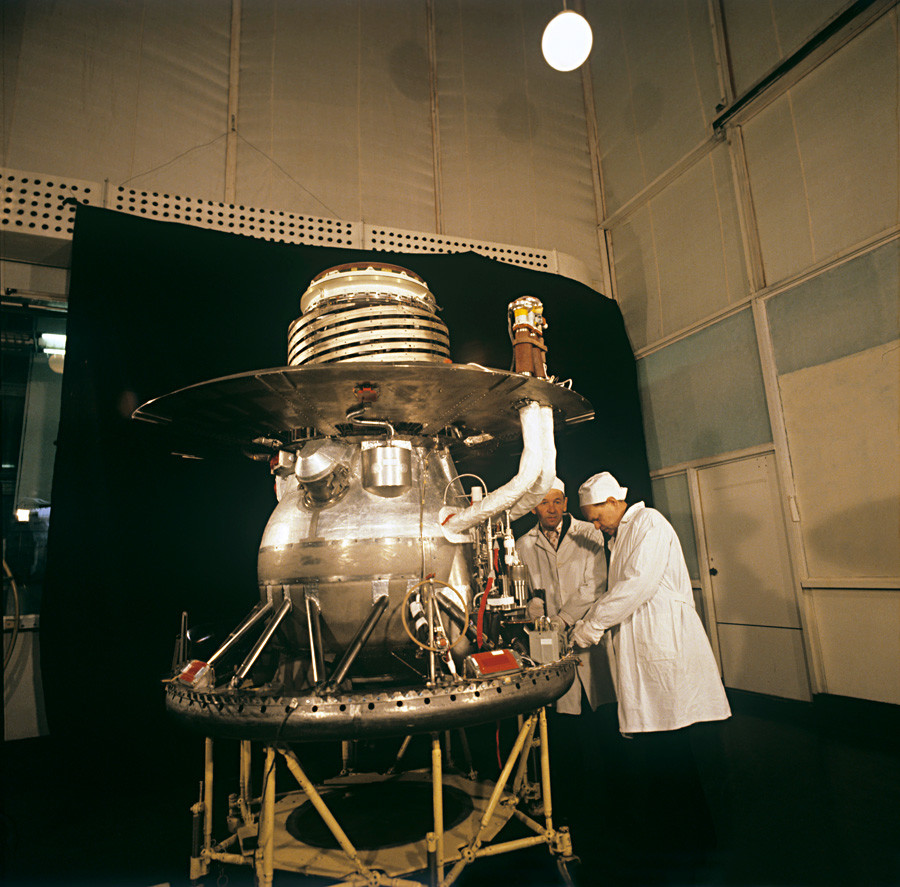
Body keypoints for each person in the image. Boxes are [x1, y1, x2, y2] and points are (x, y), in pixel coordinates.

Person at [572, 470, 731, 882]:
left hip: (665, 651)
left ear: (613, 502)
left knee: (673, 750)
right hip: (646, 654)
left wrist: (591, 626)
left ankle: (693, 843)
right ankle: (678, 837)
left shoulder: (650, 523)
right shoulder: (621, 534)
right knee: (661, 751)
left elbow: (635, 586)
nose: (594, 524)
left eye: (595, 515)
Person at [516, 478, 615, 827]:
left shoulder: (590, 533)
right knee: (563, 723)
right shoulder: (522, 544)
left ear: (566, 501)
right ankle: (572, 802)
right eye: (545, 503)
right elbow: (528, 590)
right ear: (533, 507)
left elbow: (595, 586)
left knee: (602, 715)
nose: (553, 509)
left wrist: (563, 619)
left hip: (588, 632)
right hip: (549, 639)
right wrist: (537, 613)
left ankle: (612, 799)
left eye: (558, 501)